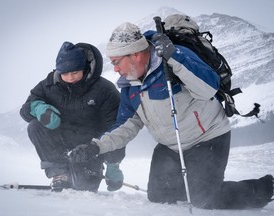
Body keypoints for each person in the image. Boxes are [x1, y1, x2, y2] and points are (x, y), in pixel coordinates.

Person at [69, 21, 274, 209]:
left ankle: (264, 188)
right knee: (158, 196)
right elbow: (125, 126)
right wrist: (96, 146)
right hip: (170, 147)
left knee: (205, 200)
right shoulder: (129, 87)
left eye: (116, 62)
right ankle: (196, 186)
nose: (114, 69)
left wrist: (173, 55)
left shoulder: (173, 60)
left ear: (135, 55)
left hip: (207, 139)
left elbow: (208, 89)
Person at [20, 41, 125, 192]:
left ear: (84, 68)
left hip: (90, 150)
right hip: (59, 147)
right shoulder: (48, 86)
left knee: (83, 189)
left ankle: (85, 174)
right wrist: (37, 108)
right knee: (35, 125)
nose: (70, 77)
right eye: (65, 73)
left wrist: (113, 163)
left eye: (75, 72)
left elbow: (115, 127)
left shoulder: (105, 90)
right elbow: (25, 110)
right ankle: (59, 173)